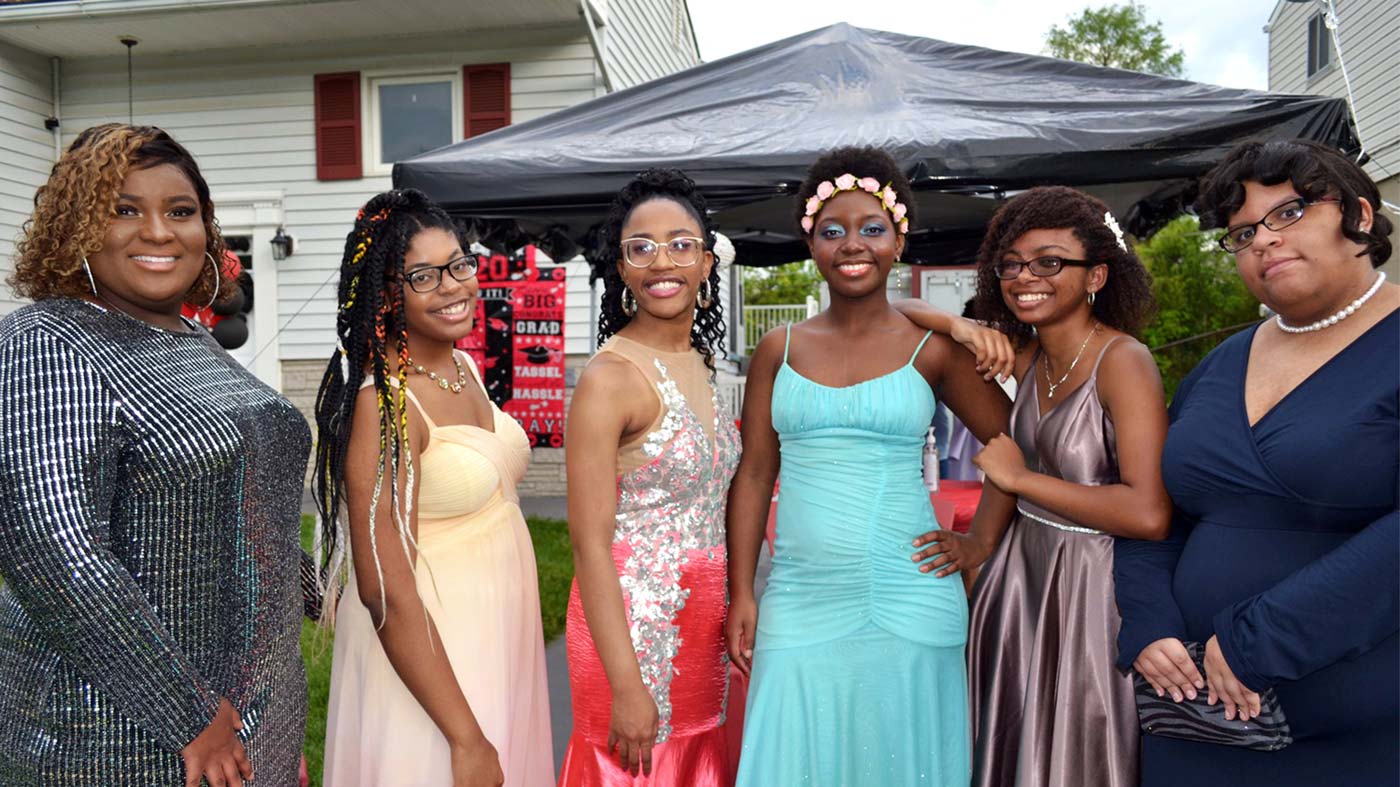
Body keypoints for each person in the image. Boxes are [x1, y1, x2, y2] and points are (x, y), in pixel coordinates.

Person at [0, 123, 308, 786]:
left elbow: (234, 495)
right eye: (124, 210)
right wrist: (192, 716)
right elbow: (56, 551)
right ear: (75, 226)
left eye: (180, 211)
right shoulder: (48, 340)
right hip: (116, 741)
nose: (160, 232)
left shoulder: (192, 343)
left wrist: (298, 588)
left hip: (249, 722)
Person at [727, 146, 1018, 786]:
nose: (852, 244)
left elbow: (1013, 445)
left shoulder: (934, 348)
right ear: (811, 243)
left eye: (872, 229)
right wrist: (742, 589)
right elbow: (753, 474)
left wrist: (980, 542)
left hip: (912, 594)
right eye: (832, 231)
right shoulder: (779, 349)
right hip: (800, 597)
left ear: (898, 240)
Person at [1114, 139, 1399, 785]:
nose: (1264, 240)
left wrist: (1255, 641)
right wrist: (1149, 623)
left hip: (1349, 732)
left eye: (1290, 212)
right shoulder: (1218, 366)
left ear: (1358, 213)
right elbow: (1159, 513)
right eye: (1243, 232)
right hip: (1191, 720)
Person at [905, 186, 1169, 787]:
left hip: (1090, 589)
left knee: (1077, 751)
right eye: (1012, 264)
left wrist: (1021, 479)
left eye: (1050, 262)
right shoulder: (1030, 359)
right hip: (1019, 582)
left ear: (1096, 274)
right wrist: (962, 327)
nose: (1026, 277)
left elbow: (1149, 511)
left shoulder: (1123, 361)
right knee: (1013, 745)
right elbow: (891, 311)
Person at [314, 189, 551, 787]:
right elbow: (383, 587)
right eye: (423, 275)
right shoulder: (385, 403)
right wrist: (463, 736)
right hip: (434, 670)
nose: (452, 286)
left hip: (495, 638)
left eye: (459, 265)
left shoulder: (460, 366)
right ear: (386, 293)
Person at [559, 169, 739, 786]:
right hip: (632, 632)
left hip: (704, 629)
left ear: (707, 262)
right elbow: (587, 544)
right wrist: (626, 685)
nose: (663, 260)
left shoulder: (708, 368)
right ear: (623, 268)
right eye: (642, 247)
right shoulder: (607, 379)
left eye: (681, 243)